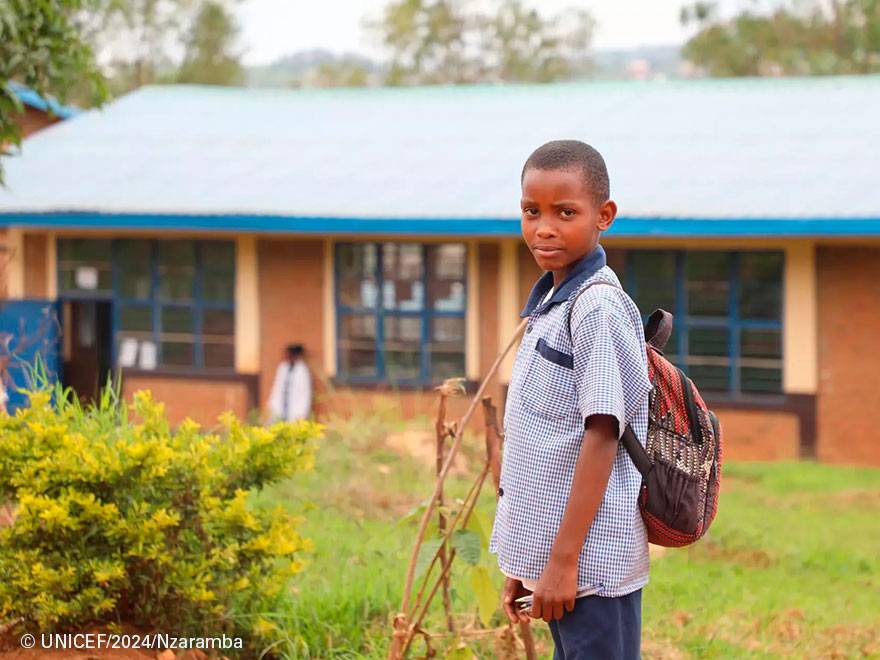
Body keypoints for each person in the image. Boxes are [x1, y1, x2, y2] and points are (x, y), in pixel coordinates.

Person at [489, 140, 652, 659]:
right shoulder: (551, 305)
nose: (544, 228)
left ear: (604, 215)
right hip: (558, 561)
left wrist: (562, 561)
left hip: (590, 565)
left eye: (566, 212)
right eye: (531, 211)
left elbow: (603, 433)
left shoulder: (596, 306)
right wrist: (529, 560)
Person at [267, 344, 312, 422]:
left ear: (295, 355)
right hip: (281, 406)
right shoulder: (283, 367)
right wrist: (272, 403)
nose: (288, 357)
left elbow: (305, 393)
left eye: (290, 355)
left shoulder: (302, 371)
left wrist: (302, 412)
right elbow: (277, 387)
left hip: (296, 409)